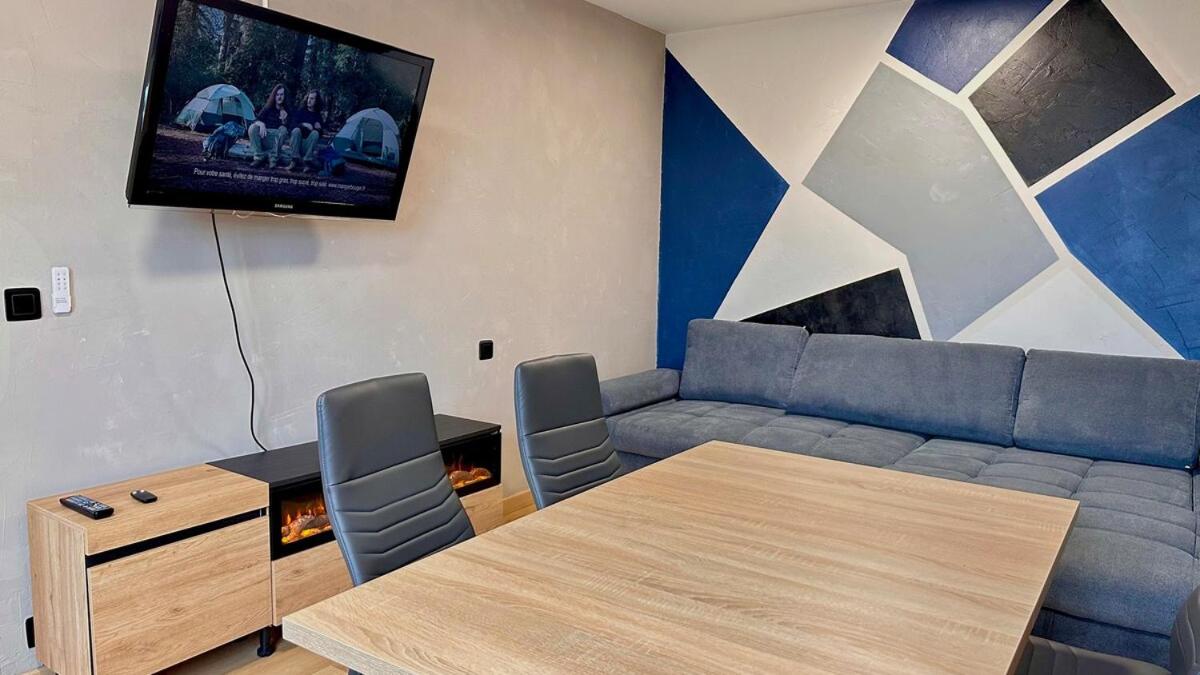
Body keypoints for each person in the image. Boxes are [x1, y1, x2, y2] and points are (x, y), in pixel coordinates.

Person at [247, 84, 291, 168]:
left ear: (285, 96)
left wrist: (284, 121)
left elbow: (288, 131)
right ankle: (259, 157)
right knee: (253, 128)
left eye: (281, 94)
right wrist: (261, 124)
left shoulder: (288, 111)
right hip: (264, 137)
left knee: (283, 129)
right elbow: (256, 120)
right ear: (274, 96)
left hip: (276, 143)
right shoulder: (268, 108)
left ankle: (273, 158)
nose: (279, 97)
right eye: (277, 95)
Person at [287, 90, 324, 172]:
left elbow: (320, 135)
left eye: (312, 99)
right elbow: (291, 127)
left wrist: (319, 129)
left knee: (315, 133)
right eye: (308, 98)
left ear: (316, 101)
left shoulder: (318, 116)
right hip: (296, 144)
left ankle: (307, 160)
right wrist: (303, 124)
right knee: (296, 130)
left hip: (307, 147)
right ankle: (294, 160)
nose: (309, 100)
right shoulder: (301, 112)